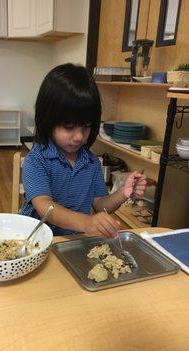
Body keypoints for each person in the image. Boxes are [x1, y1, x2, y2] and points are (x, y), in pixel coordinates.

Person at [21, 63, 147, 237]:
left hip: (73, 241)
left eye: (86, 127)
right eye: (69, 126)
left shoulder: (91, 162)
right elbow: (45, 207)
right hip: (38, 242)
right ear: (47, 120)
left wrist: (122, 193)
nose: (79, 136)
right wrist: (87, 222)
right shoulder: (37, 160)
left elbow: (100, 204)